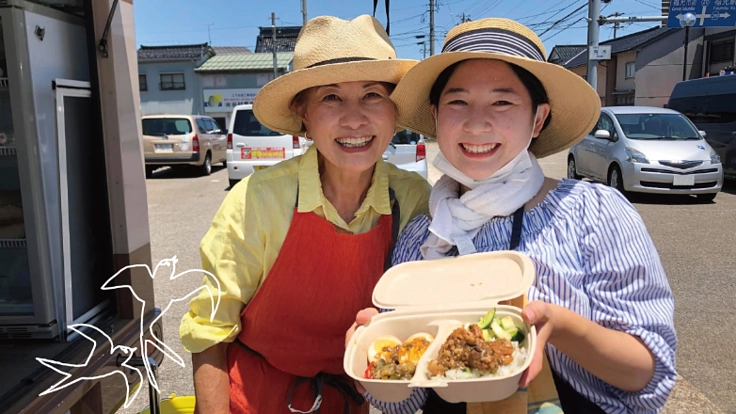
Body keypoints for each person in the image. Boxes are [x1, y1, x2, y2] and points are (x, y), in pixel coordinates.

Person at [354, 18, 677, 414]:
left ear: (538, 118)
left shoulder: (593, 212)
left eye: (502, 101)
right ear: (436, 116)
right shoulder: (422, 237)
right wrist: (374, 358)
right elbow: (407, 403)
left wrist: (560, 326)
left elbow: (649, 374)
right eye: (458, 102)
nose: (476, 123)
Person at [180, 15, 431, 414]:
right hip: (253, 400)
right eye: (331, 98)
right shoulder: (257, 201)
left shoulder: (414, 197)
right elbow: (210, 331)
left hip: (350, 402)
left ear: (394, 110)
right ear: (303, 117)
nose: (354, 118)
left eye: (372, 95)